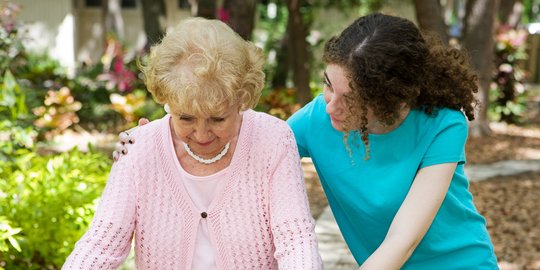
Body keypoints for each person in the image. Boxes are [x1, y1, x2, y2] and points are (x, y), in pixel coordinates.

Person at [115, 13, 499, 269]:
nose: (332, 106)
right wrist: (157, 141)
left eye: (351, 101)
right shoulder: (317, 118)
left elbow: (404, 238)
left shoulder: (442, 125)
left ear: (389, 100)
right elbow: (251, 145)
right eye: (329, 87)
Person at [63, 17, 322, 269]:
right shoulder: (138, 149)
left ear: (242, 100)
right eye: (185, 117)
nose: (201, 135)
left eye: (217, 118)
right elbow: (100, 246)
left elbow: (295, 239)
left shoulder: (273, 140)